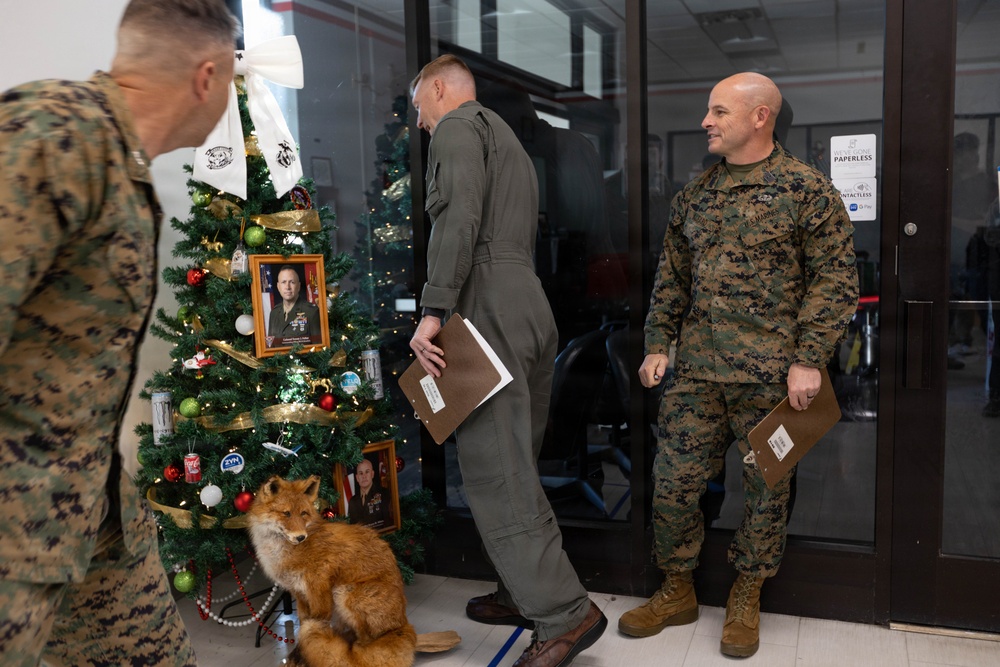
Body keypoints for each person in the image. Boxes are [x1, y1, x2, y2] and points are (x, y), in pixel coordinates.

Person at [0, 1, 238, 665]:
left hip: (92, 507)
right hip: (16, 529)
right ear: (207, 77)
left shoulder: (122, 161)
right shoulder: (52, 131)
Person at [618, 73, 858, 658]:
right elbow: (671, 278)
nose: (706, 121)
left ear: (760, 117)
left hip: (773, 380)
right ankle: (677, 589)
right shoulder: (695, 197)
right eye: (708, 111)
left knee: (766, 494)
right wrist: (657, 345)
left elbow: (836, 280)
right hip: (697, 375)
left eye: (719, 111)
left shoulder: (807, 191)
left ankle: (746, 595)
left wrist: (809, 360)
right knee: (674, 487)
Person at [408, 54, 607, 666]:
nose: (419, 123)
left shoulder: (457, 127)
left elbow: (459, 219)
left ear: (440, 89)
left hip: (486, 305)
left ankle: (564, 616)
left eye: (419, 108)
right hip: (527, 303)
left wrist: (434, 309)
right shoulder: (511, 141)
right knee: (515, 458)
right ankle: (521, 592)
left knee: (497, 473)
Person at [266, 264, 322, 346]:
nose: (287, 287)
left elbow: (319, 350)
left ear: (298, 286)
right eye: (283, 282)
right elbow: (270, 347)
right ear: (278, 286)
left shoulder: (311, 312)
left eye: (292, 282)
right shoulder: (274, 313)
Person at [347, 458, 390, 530]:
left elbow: (388, 522)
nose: (364, 476)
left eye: (367, 472)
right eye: (361, 473)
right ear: (357, 478)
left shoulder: (384, 494)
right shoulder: (352, 502)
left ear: (372, 474)